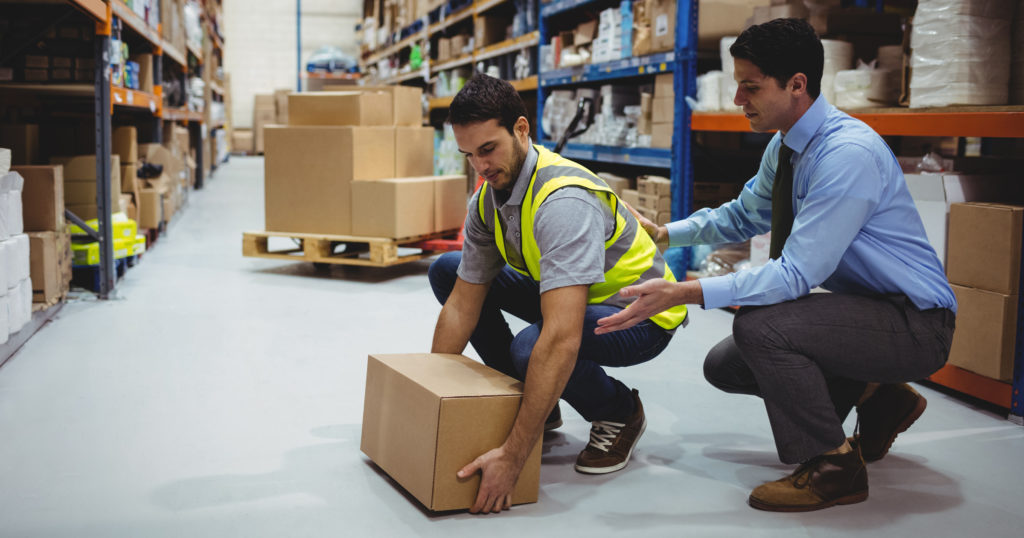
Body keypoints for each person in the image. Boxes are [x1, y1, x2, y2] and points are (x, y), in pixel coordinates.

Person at [596, 18, 956, 512]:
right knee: (726, 365)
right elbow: (745, 214)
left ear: (797, 85)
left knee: (762, 327)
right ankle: (882, 397)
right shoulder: (786, 145)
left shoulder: (845, 155)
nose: (739, 99)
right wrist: (664, 234)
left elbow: (795, 275)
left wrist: (687, 291)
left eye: (751, 86)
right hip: (872, 310)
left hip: (917, 324)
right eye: (738, 84)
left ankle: (833, 467)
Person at [428, 74, 689, 514]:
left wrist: (514, 454)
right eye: (468, 155)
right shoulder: (486, 201)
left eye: (488, 149)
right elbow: (461, 305)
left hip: (639, 313)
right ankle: (536, 404)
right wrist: (428, 396)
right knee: (447, 271)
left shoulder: (563, 201)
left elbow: (562, 337)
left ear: (521, 129)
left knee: (534, 346)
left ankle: (619, 412)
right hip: (580, 298)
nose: (480, 166)